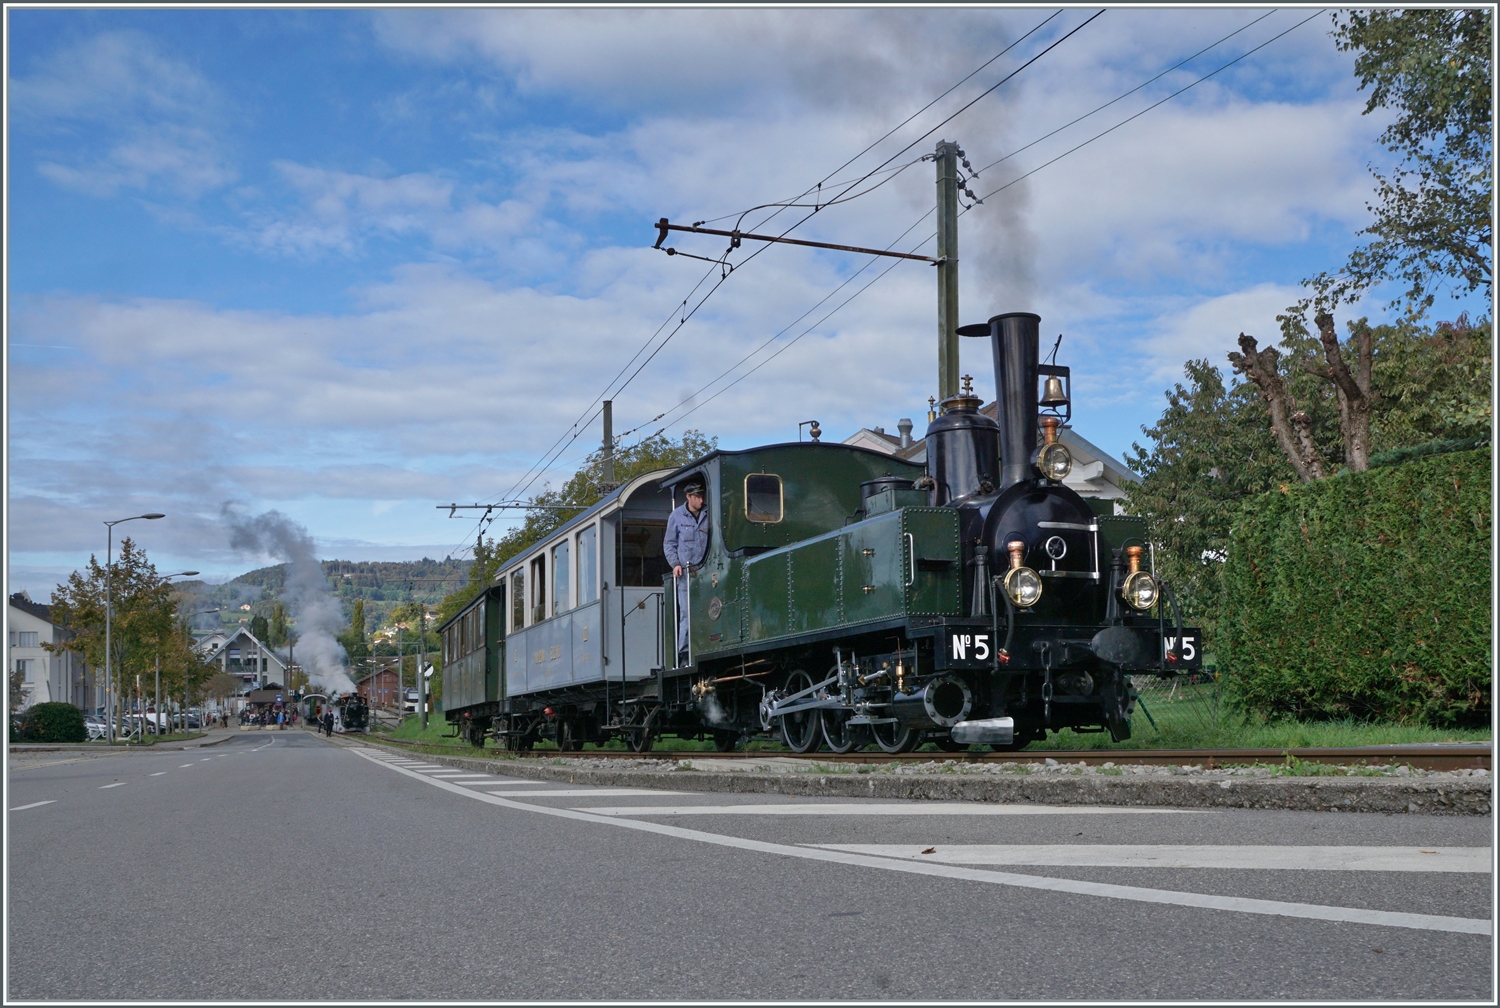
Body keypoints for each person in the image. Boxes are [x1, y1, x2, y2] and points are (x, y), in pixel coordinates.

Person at [663, 479, 710, 666]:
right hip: (686, 574)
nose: (701, 500)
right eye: (697, 496)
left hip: (706, 571)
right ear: (688, 497)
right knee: (687, 613)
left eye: (702, 496)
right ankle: (684, 653)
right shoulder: (676, 516)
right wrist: (675, 564)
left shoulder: (709, 513)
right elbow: (669, 544)